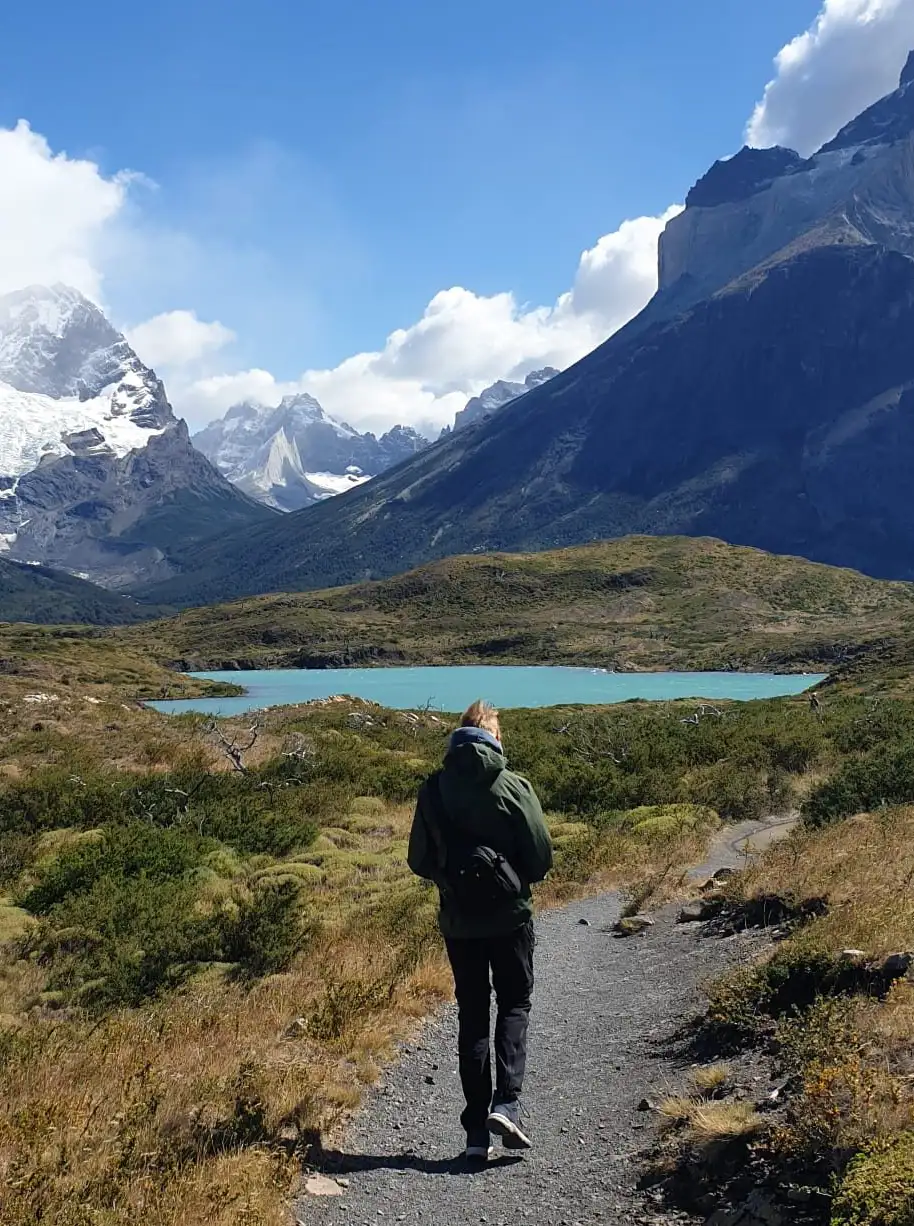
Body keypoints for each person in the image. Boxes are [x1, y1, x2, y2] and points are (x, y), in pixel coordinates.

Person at [407, 700, 553, 1162]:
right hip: (511, 917)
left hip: (458, 923)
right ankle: (507, 1104)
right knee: (514, 1002)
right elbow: (541, 858)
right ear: (494, 737)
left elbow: (418, 860)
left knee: (472, 1014)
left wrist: (454, 879)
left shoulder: (432, 790)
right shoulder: (513, 786)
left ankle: (475, 1135)